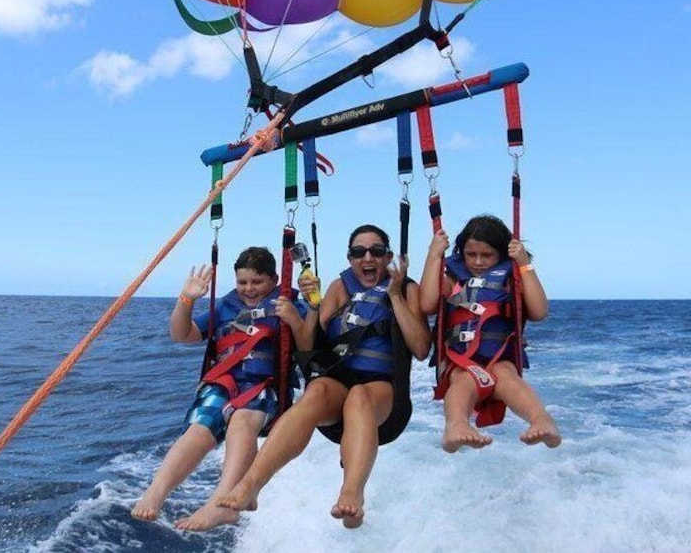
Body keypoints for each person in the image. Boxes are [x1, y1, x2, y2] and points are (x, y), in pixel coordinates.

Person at [218, 225, 431, 529]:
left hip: (382, 393)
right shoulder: (338, 288)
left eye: (376, 251)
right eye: (359, 252)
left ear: (388, 257)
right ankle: (250, 485)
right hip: (336, 384)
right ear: (350, 257)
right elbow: (308, 345)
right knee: (314, 393)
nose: (367, 257)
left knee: (360, 397)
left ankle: (352, 493)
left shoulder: (407, 288)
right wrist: (312, 306)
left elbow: (422, 348)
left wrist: (395, 295)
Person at [130, 246, 317, 531]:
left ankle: (223, 504)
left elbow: (310, 345)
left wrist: (293, 316)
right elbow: (182, 334)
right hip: (223, 383)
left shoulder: (289, 303)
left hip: (264, 387)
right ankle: (156, 493)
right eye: (243, 282)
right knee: (199, 429)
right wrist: (187, 300)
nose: (249, 289)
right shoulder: (226, 306)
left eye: (257, 282)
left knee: (241, 421)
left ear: (274, 279)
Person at [418, 214, 562, 453]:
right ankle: (456, 425)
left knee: (506, 376)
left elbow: (539, 312)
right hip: (459, 360)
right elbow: (427, 305)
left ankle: (542, 419)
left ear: (501, 254)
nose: (477, 262)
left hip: (499, 356)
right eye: (470, 254)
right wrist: (434, 255)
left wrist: (524, 263)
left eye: (487, 255)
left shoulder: (510, 276)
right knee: (463, 380)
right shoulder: (452, 277)